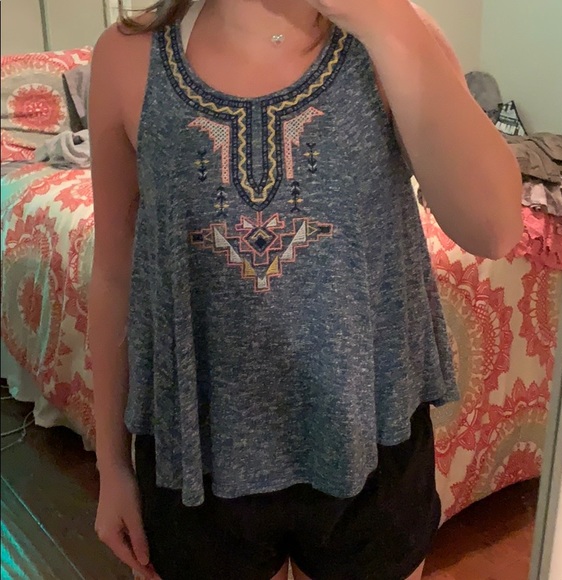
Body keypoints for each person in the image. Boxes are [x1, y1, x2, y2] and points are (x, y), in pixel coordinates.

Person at [88, 0, 523, 578]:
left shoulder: (393, 33)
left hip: (373, 439)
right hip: (194, 454)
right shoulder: (126, 57)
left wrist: (388, 21)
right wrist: (112, 465)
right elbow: (114, 274)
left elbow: (494, 229)